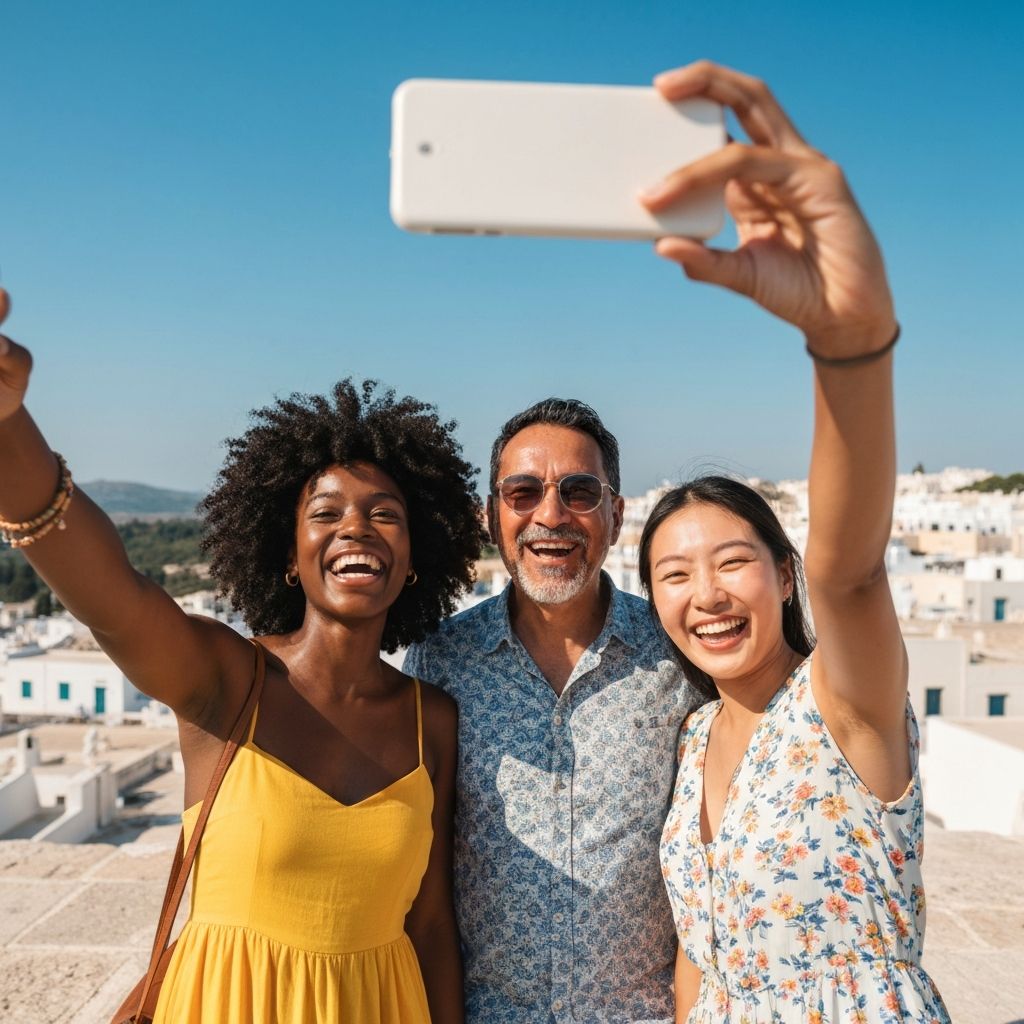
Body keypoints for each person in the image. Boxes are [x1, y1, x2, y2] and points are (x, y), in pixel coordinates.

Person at [0, 308, 483, 1024]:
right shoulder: (226, 680)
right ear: (288, 556)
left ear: (414, 557)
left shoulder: (429, 719)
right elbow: (112, 597)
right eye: (326, 514)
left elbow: (433, 926)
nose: (356, 527)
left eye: (386, 515)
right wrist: (10, 422)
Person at [636, 62, 951, 1021]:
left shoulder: (843, 703)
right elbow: (701, 953)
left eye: (732, 561)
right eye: (673, 575)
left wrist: (849, 341)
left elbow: (850, 573)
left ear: (781, 575)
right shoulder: (692, 741)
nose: (706, 594)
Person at [404, 397, 702, 1023]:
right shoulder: (441, 662)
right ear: (491, 516)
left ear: (616, 514)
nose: (551, 514)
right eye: (522, 492)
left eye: (579, 491)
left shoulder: (679, 659)